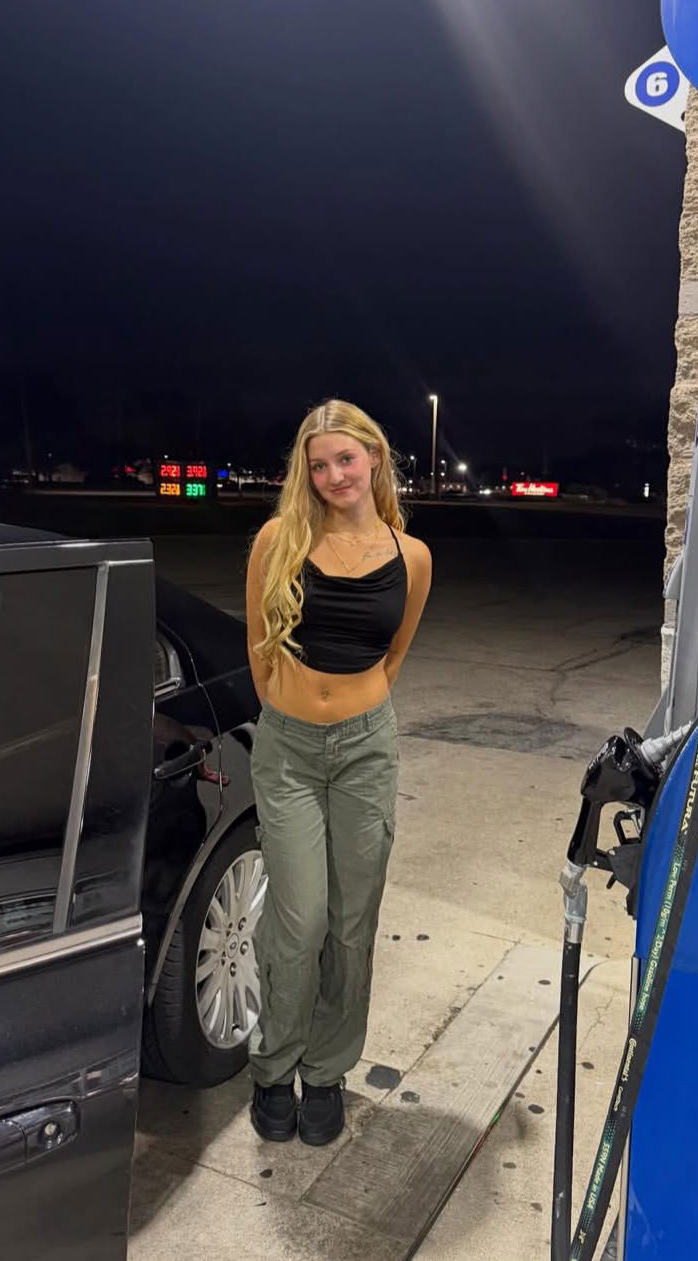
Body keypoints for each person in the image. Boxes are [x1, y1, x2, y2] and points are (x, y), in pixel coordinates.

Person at [245, 398, 432, 1145]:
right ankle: (273, 1066)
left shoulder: (411, 557)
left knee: (353, 924)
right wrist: (288, 713)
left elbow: (395, 653)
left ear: (374, 457)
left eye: (345, 459)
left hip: (365, 749)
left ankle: (325, 1072)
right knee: (300, 920)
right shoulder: (278, 540)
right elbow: (259, 646)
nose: (333, 476)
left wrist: (353, 714)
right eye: (318, 464)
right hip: (289, 750)